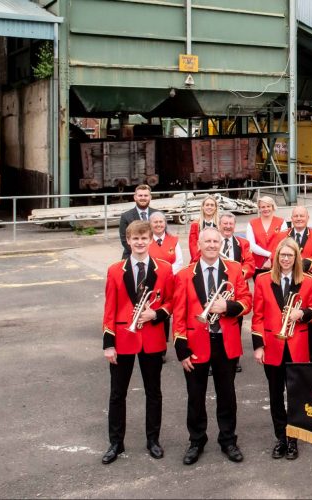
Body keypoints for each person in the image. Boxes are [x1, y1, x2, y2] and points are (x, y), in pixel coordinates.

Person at [172, 227, 253, 465]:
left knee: (227, 395)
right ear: (198, 245)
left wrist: (226, 308)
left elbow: (246, 302)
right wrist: (181, 350)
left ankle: (228, 440)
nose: (211, 245)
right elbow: (178, 314)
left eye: (215, 241)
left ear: (221, 245)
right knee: (195, 397)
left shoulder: (235, 269)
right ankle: (196, 441)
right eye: (206, 241)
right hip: (196, 344)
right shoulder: (185, 275)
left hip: (225, 343)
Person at [100, 220, 174, 464]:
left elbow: (172, 302)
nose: (140, 242)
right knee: (116, 394)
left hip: (152, 339)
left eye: (144, 238)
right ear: (128, 241)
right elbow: (109, 309)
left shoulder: (163, 269)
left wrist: (156, 314)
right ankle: (116, 443)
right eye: (135, 239)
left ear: (151, 240)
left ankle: (153, 440)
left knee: (154, 393)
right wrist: (108, 344)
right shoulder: (114, 270)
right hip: (123, 339)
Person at [251, 238, 312, 461]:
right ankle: (281, 437)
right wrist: (258, 346)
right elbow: (258, 316)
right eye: (282, 255)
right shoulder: (262, 280)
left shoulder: (308, 281)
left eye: (290, 255)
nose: (286, 259)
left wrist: (302, 314)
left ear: (296, 258)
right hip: (272, 346)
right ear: (276, 257)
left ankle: (293, 439)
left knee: (296, 395)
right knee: (275, 394)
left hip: (297, 345)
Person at [282, 206, 312, 361]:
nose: (299, 218)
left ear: (307, 218)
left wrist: (298, 265)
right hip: (288, 281)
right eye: (296, 216)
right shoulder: (282, 235)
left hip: (311, 282)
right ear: (291, 218)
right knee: (289, 315)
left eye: (302, 216)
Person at [217, 213, 256, 373]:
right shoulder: (213, 241)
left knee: (235, 325)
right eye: (225, 223)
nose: (227, 226)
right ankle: (214, 360)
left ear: (234, 226)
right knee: (213, 325)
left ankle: (234, 359)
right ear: (219, 225)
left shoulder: (243, 243)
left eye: (230, 224)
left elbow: (250, 264)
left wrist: (236, 275)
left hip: (236, 291)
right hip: (217, 289)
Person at [118, 184, 161, 259]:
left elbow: (163, 236)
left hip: (156, 256)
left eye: (146, 195)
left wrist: (154, 253)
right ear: (135, 197)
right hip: (131, 256)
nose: (143, 198)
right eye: (140, 195)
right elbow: (124, 240)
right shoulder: (126, 216)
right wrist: (141, 253)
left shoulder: (158, 214)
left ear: (150, 197)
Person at [246, 196, 284, 275]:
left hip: (278, 264)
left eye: (268, 206)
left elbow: (283, 244)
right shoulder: (251, 223)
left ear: (273, 207)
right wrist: (268, 254)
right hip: (258, 265)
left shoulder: (282, 222)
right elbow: (251, 245)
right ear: (259, 208)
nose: (266, 209)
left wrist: (272, 258)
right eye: (263, 207)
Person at [189, 195, 221, 263]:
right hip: (198, 260)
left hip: (217, 260)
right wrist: (200, 261)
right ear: (203, 207)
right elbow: (193, 246)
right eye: (207, 205)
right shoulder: (195, 225)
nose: (209, 207)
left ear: (215, 208)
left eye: (212, 205)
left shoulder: (220, 225)